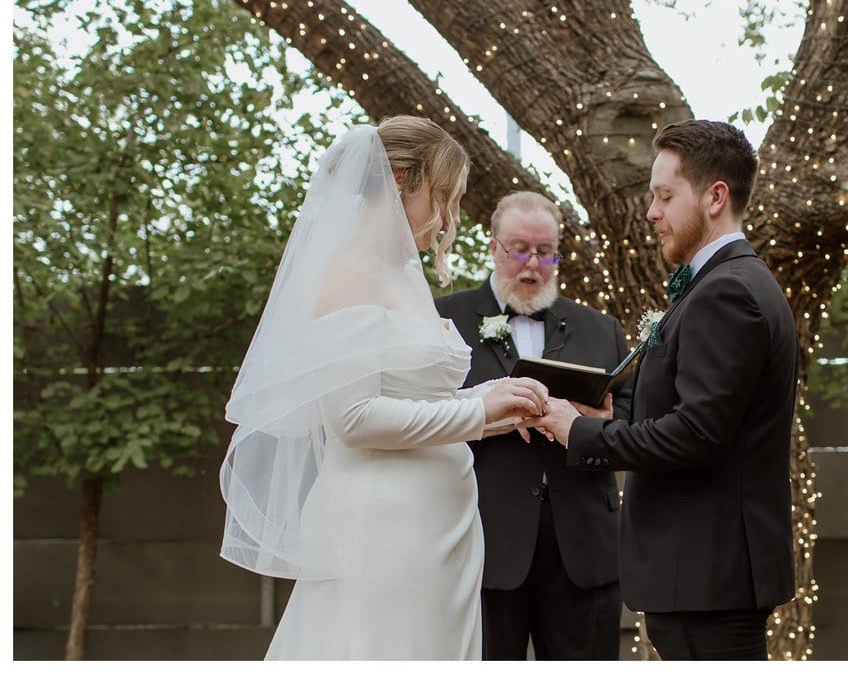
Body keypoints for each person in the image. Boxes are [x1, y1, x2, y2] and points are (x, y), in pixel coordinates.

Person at [217, 116, 548, 660]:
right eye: (444, 196)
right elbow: (353, 420)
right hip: (386, 527)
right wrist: (475, 411)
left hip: (442, 523)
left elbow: (417, 401)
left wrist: (498, 402)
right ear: (400, 180)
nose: (449, 218)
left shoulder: (402, 271)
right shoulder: (347, 271)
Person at [524, 119, 799, 660]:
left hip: (707, 578)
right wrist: (608, 423)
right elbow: (700, 420)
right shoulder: (729, 283)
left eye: (665, 196)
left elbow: (697, 435)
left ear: (715, 196)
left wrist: (578, 433)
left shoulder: (728, 294)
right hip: (703, 577)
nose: (651, 212)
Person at [434, 191, 632, 660]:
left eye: (546, 252)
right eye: (519, 249)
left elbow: (634, 422)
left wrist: (600, 422)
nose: (532, 264)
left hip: (583, 549)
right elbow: (422, 414)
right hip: (481, 540)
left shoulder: (601, 329)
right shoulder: (444, 319)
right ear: (492, 247)